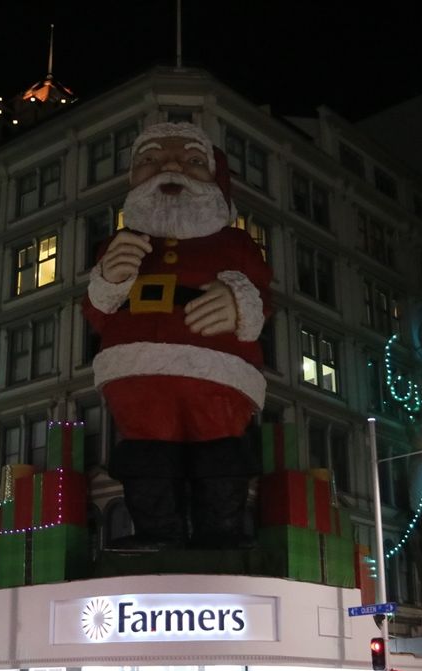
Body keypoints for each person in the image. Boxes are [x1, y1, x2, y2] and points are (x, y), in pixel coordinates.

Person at [83, 121, 273, 550]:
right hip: (137, 375)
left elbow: (262, 297)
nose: (170, 167)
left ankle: (220, 533)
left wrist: (238, 300)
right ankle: (157, 533)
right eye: (150, 159)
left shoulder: (235, 245)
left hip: (217, 375)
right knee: (148, 453)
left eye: (191, 160)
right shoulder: (119, 244)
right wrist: (109, 279)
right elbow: (96, 312)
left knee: (218, 451)